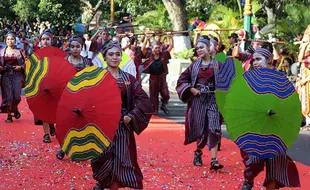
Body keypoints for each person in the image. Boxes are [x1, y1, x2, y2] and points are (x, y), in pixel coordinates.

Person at [91, 41, 153, 190]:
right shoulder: (97, 78)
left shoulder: (129, 79)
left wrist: (131, 116)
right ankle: (102, 183)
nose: (114, 57)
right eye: (111, 54)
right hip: (102, 127)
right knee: (102, 160)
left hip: (122, 127)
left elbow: (144, 100)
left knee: (120, 161)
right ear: (104, 57)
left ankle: (111, 185)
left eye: (118, 54)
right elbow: (88, 100)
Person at [241, 46, 300, 190]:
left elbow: (289, 102)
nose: (255, 62)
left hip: (275, 129)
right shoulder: (248, 81)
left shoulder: (280, 80)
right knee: (254, 161)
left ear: (268, 60)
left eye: (258, 59)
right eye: (253, 59)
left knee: (275, 165)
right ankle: (248, 180)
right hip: (255, 128)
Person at [176, 36, 223, 170]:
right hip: (197, 101)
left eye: (201, 47)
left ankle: (214, 160)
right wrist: (192, 89)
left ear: (209, 48)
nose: (199, 50)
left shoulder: (218, 65)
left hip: (213, 100)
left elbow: (228, 83)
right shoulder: (193, 66)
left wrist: (221, 90)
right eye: (197, 48)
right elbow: (181, 81)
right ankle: (198, 152)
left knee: (214, 127)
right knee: (200, 128)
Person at [139, 33, 174, 115]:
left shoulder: (164, 54)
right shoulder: (149, 54)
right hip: (153, 78)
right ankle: (154, 110)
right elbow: (142, 49)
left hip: (162, 77)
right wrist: (146, 39)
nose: (157, 49)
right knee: (153, 96)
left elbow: (171, 47)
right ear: (152, 48)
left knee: (165, 93)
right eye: (155, 48)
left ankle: (164, 105)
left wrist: (170, 38)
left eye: (158, 48)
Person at [34, 29, 57, 143]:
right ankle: (46, 134)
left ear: (51, 40)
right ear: (40, 41)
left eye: (47, 39)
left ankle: (52, 124)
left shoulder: (57, 53)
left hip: (54, 84)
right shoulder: (37, 54)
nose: (45, 41)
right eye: (43, 39)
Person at [0, 32, 25, 123]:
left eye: (12, 39)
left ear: (15, 41)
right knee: (8, 96)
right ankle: (9, 115)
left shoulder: (20, 51)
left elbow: (27, 62)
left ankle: (14, 107)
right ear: (5, 40)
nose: (10, 41)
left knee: (17, 97)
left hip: (17, 75)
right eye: (8, 39)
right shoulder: (2, 51)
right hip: (6, 75)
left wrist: (21, 67)